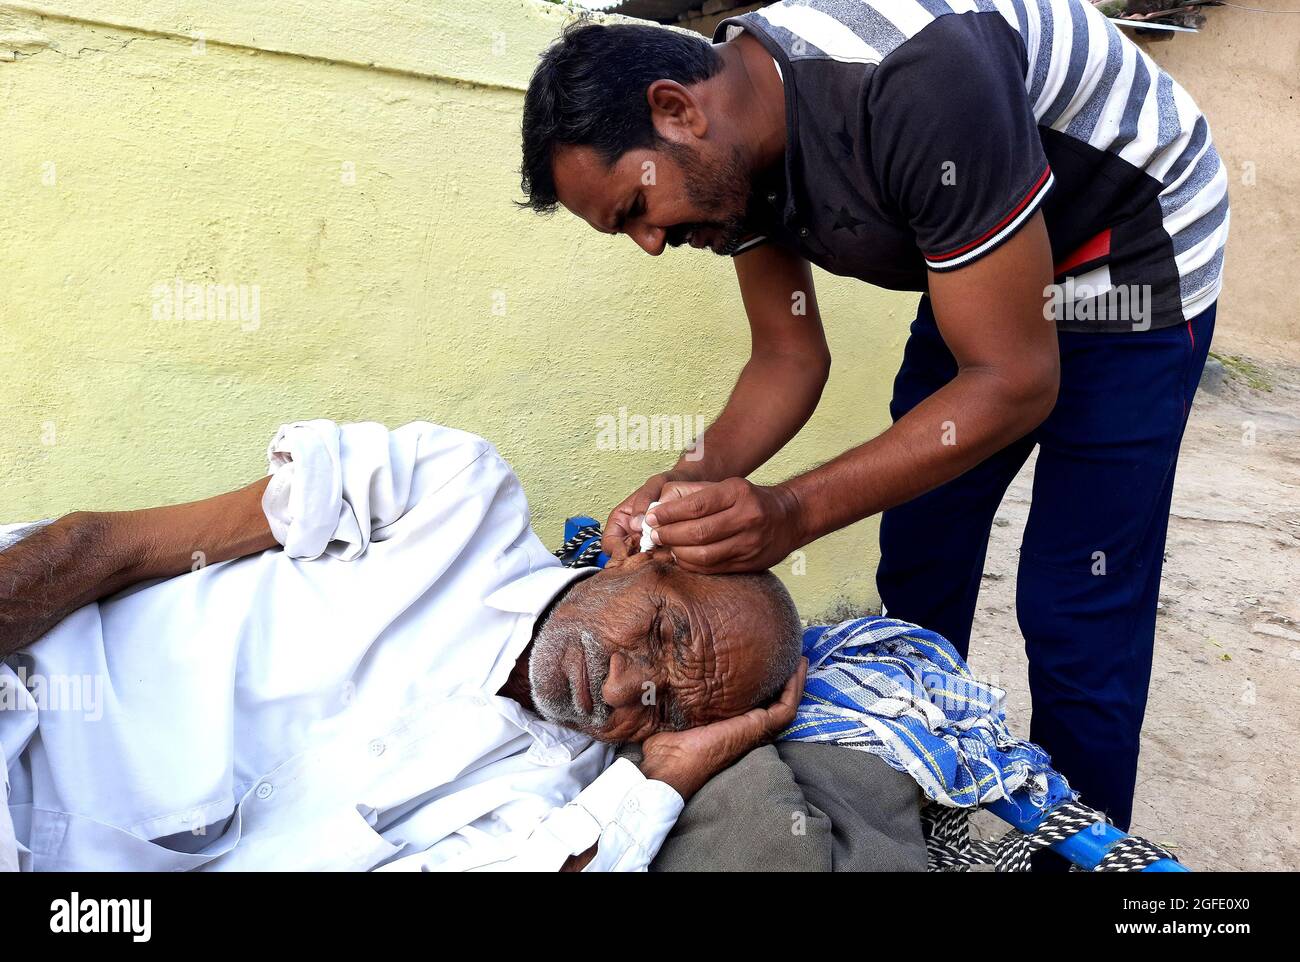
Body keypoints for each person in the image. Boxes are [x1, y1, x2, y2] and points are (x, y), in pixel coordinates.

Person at [519, 0, 1226, 848]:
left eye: (634, 210)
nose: (649, 244)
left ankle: (1081, 853)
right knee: (925, 545)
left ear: (677, 109)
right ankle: (923, 771)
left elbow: (1011, 381)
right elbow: (788, 356)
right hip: (988, 253)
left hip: (1128, 249)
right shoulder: (730, 158)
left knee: (1079, 595)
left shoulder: (919, 75)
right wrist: (685, 483)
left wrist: (791, 512)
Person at [0, 418, 923, 872]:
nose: (624, 689)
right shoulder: (455, 497)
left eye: (665, 709)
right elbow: (101, 544)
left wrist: (669, 777)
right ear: (635, 545)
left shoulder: (560, 799)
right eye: (658, 636)